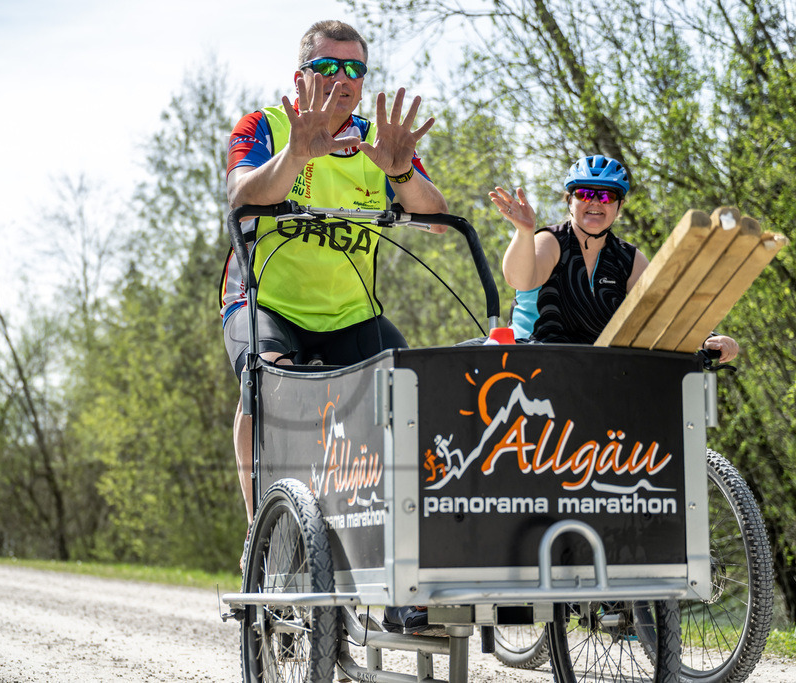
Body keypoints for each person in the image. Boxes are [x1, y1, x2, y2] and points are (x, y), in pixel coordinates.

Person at [220, 19, 448, 635]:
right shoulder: (266, 125)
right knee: (267, 387)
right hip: (266, 301)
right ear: (301, 76)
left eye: (355, 69)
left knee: (424, 394)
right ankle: (262, 541)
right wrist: (296, 153)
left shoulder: (379, 140)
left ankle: (400, 566)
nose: (343, 80)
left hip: (351, 312)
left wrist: (401, 174)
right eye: (328, 67)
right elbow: (242, 194)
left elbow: (435, 216)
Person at [490, 154, 739, 361]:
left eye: (607, 196)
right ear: (570, 201)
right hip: (531, 360)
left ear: (619, 206)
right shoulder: (550, 241)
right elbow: (520, 280)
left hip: (595, 372)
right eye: (585, 194)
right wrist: (524, 233)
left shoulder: (627, 258)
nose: (596, 202)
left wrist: (707, 337)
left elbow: (666, 307)